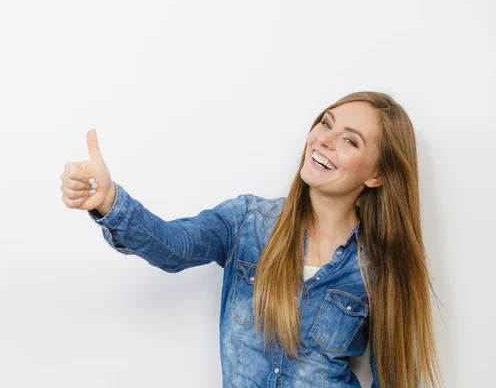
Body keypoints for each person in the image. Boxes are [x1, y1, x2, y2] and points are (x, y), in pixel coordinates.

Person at [60, 91, 444, 387]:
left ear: (376, 175)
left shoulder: (380, 267)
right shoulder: (247, 222)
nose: (325, 140)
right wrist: (111, 203)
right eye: (326, 124)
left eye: (351, 141)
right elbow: (173, 246)